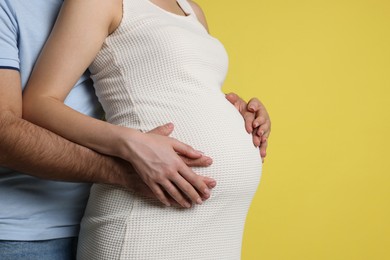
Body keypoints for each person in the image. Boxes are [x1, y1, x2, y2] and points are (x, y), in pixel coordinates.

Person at [0, 0, 270, 259]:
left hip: (219, 221)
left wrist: (238, 114)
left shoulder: (192, 10)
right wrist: (129, 142)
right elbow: (34, 105)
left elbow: (180, 88)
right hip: (141, 212)